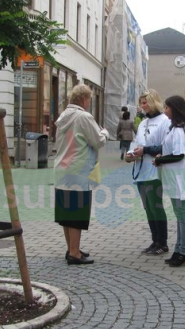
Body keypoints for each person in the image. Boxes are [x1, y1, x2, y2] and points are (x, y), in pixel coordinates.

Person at [53, 84, 110, 265]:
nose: (89, 103)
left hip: (62, 169)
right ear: (84, 99)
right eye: (89, 100)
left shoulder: (63, 116)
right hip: (78, 170)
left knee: (66, 213)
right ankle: (74, 254)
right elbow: (98, 141)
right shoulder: (84, 117)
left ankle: (71, 248)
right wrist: (105, 132)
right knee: (76, 213)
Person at [152, 95, 185, 267]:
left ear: (175, 109)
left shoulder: (180, 129)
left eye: (167, 107)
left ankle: (184, 251)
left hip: (181, 177)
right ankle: (179, 249)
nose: (164, 111)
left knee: (182, 214)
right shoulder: (176, 128)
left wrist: (160, 160)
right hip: (176, 177)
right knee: (180, 215)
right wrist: (162, 157)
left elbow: (179, 154)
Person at [126, 89, 172, 255]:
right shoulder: (143, 123)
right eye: (141, 103)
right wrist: (130, 154)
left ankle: (162, 242)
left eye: (145, 102)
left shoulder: (164, 122)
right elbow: (137, 143)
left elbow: (166, 147)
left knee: (156, 206)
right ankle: (155, 241)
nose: (142, 106)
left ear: (154, 102)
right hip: (140, 171)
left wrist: (144, 151)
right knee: (148, 208)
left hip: (154, 170)